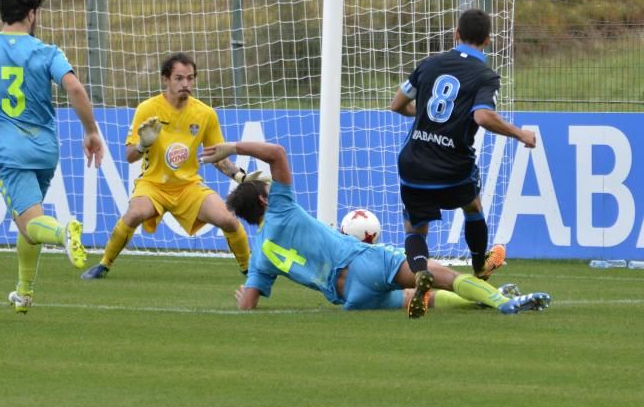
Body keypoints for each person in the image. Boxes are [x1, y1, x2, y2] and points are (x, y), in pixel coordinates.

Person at [200, 140, 551, 315]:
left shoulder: (261, 255)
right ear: (264, 201)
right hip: (362, 260)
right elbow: (276, 153)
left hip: (350, 297)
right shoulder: (281, 207)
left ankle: (483, 301)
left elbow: (248, 306)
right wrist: (232, 148)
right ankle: (501, 302)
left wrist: (242, 297)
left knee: (422, 298)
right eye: (268, 189)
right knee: (438, 273)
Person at [0, 0, 104, 313]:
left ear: (2, 13)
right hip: (45, 150)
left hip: (9, 151)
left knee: (32, 223)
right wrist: (91, 131)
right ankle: (23, 293)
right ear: (32, 14)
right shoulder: (47, 52)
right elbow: (75, 90)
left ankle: (63, 232)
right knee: (30, 219)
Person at [390, 8, 538, 318]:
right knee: (472, 207)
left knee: (416, 230)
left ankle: (420, 275)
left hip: (414, 162)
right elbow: (482, 117)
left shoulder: (429, 64)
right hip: (452, 166)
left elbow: (397, 104)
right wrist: (518, 133)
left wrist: (420, 116)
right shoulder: (485, 75)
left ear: (456, 34)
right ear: (487, 40)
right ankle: (479, 266)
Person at [81, 53, 263, 280]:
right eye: (179, 78)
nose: (185, 84)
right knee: (135, 214)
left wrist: (239, 176)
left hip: (188, 187)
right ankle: (103, 265)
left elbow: (216, 156)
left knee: (228, 220)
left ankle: (251, 273)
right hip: (153, 185)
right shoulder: (147, 109)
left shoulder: (205, 114)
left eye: (190, 78)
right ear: (165, 79)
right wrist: (142, 145)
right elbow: (129, 156)